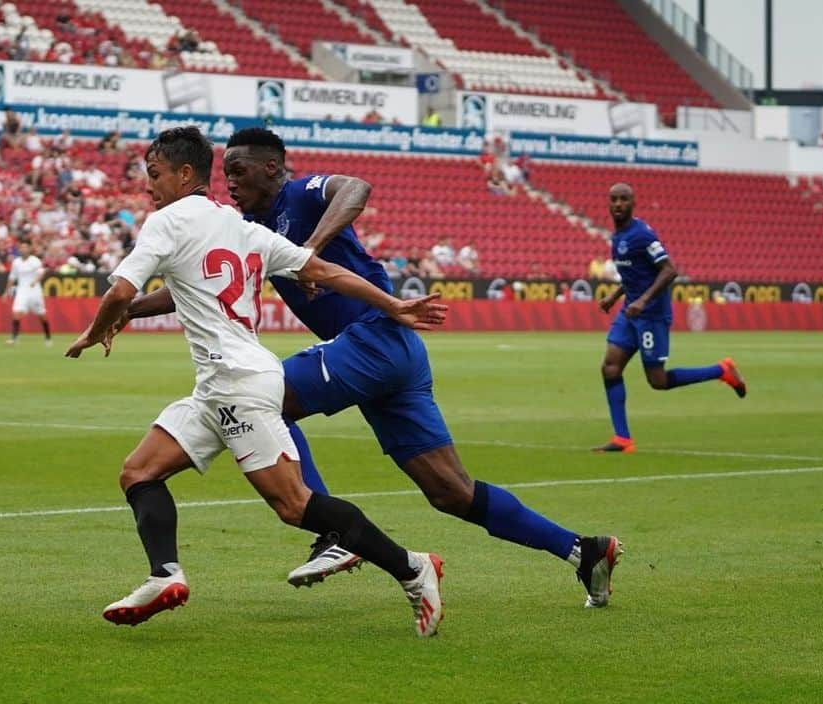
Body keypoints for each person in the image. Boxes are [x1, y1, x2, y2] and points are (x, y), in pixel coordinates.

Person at [126, 127, 623, 609]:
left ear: (271, 168)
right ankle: (583, 550)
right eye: (225, 173)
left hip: (375, 339)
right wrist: (126, 309)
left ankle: (333, 534)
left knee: (261, 396)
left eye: (238, 170)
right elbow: (191, 286)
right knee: (452, 492)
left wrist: (313, 246)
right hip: (391, 354)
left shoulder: (299, 195)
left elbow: (356, 187)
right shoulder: (249, 230)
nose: (229, 182)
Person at [65, 127, 448, 637]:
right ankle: (165, 576)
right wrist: (392, 303)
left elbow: (120, 289)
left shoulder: (168, 221)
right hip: (222, 383)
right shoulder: (238, 225)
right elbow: (325, 270)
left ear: (184, 174)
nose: (148, 186)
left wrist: (98, 329)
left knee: (295, 506)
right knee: (139, 473)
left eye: (154, 174)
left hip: (238, 383)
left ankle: (412, 566)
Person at [594, 183, 747, 452]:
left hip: (651, 314)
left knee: (658, 381)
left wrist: (643, 301)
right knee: (610, 367)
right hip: (631, 311)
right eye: (613, 199)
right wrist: (616, 296)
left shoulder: (642, 235)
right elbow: (635, 274)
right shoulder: (617, 236)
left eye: (623, 199)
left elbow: (669, 270)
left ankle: (721, 371)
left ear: (633, 203)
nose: (618, 204)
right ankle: (622, 439)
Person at [2, 243, 51, 346]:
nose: (23, 249)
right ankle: (14, 338)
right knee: (16, 313)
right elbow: (12, 277)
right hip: (21, 291)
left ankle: (48, 338)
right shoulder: (16, 262)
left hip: (34, 291)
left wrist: (35, 281)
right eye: (21, 247)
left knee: (42, 315)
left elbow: (42, 272)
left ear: (29, 249)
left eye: (25, 247)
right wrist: (6, 292)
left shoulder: (35, 261)